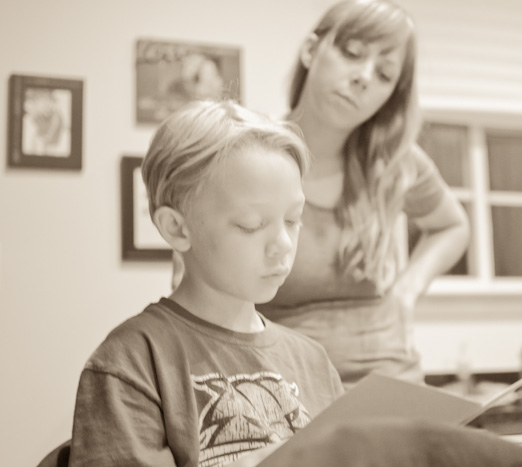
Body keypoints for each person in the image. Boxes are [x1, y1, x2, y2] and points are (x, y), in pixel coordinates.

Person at [68, 100, 344, 467]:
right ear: (177, 228)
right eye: (251, 224)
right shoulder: (132, 362)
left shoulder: (314, 363)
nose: (283, 244)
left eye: (293, 220)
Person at [257, 0, 470, 388]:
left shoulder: (395, 162)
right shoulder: (247, 153)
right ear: (311, 50)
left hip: (390, 386)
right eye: (352, 53)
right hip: (283, 393)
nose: (364, 77)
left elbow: (453, 226)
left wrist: (406, 291)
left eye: (385, 74)